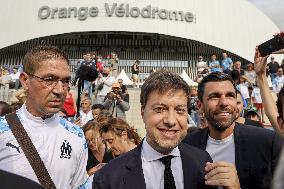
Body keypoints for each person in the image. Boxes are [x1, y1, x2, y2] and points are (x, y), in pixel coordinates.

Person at [93, 70, 215, 189]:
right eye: (160, 109)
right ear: (142, 112)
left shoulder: (203, 163)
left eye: (179, 110)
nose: (171, 121)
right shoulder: (108, 178)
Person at [0, 46, 89, 189]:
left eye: (65, 81)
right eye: (49, 79)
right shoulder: (2, 131)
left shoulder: (76, 135)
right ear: (25, 80)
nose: (60, 90)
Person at [183, 72, 283, 189]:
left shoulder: (267, 142)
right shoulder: (186, 146)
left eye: (230, 95)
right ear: (199, 106)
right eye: (214, 96)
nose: (224, 103)